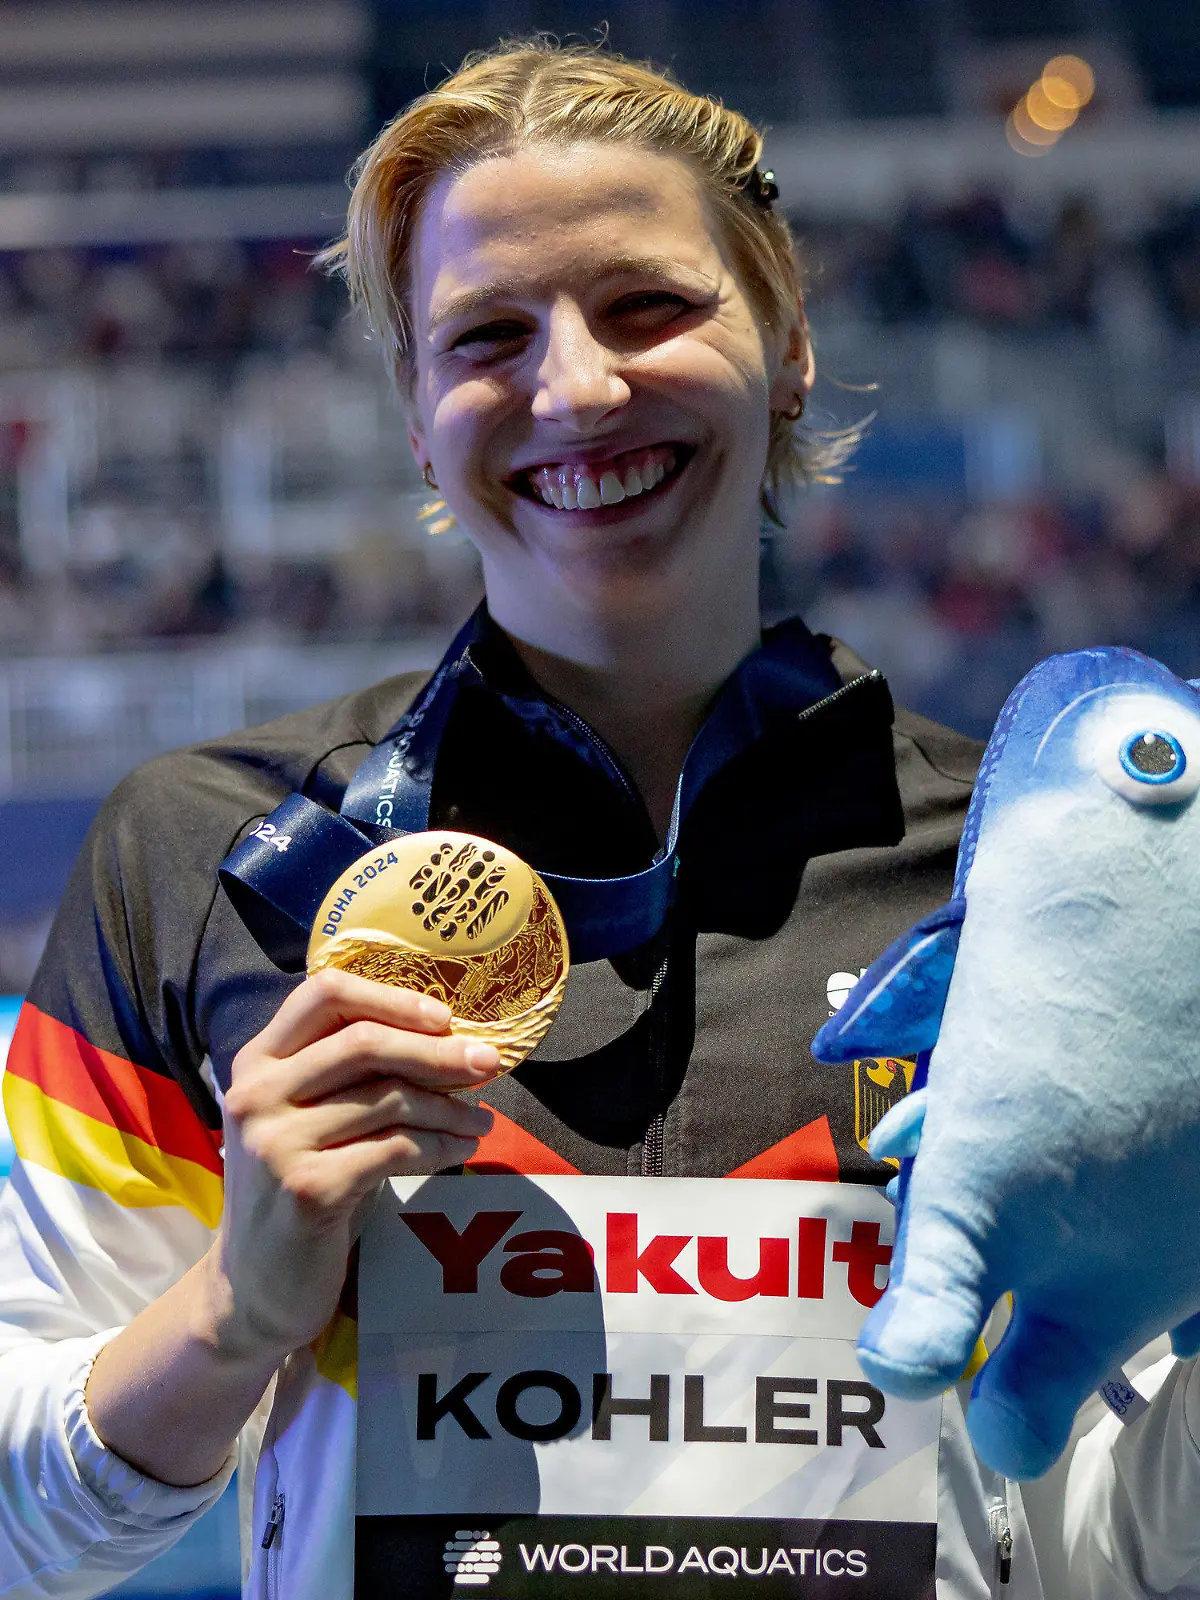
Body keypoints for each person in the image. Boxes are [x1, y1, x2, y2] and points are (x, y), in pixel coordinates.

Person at [0, 37, 1197, 1600]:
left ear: (789, 345)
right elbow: (25, 1535)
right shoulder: (209, 856)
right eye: (486, 335)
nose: (576, 386)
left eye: (649, 306)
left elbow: (1109, 1533)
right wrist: (235, 1309)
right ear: (420, 419)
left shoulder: (1037, 878)